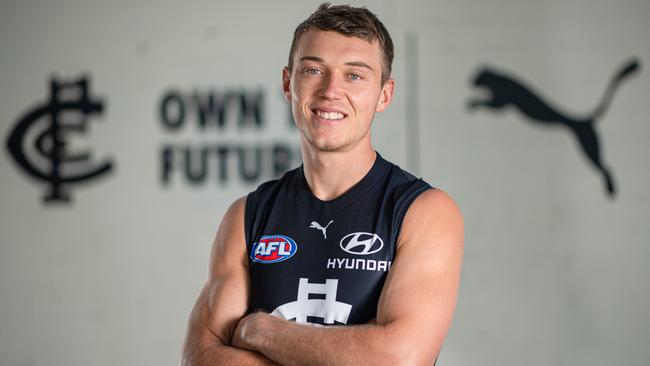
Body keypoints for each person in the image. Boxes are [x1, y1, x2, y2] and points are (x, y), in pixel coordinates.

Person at [181, 3, 463, 365]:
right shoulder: (247, 216)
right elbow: (199, 358)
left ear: (385, 94)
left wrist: (259, 331)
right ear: (288, 83)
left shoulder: (423, 212)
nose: (331, 90)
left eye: (355, 75)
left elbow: (399, 359)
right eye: (314, 70)